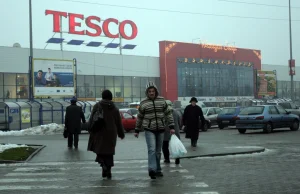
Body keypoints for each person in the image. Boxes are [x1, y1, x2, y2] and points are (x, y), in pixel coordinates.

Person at [134, 81, 175, 179]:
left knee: (158, 151)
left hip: (161, 128)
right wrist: (137, 130)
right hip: (149, 129)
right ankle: (152, 169)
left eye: (153, 91)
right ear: (147, 92)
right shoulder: (143, 103)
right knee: (151, 150)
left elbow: (168, 113)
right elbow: (139, 117)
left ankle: (158, 169)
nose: (151, 93)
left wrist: (171, 126)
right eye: (149, 91)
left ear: (156, 91)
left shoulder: (162, 100)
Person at [87, 90, 125, 179]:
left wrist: (89, 128)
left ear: (102, 96)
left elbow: (92, 118)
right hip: (111, 133)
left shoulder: (97, 106)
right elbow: (118, 123)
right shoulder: (114, 108)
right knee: (109, 153)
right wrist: (121, 133)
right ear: (111, 97)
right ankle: (108, 171)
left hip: (99, 132)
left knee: (100, 150)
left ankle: (103, 164)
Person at [162, 101, 181, 165]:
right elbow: (179, 121)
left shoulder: (163, 112)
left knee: (165, 146)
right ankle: (177, 158)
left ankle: (167, 159)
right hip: (175, 131)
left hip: (166, 131)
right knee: (176, 145)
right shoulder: (176, 112)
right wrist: (178, 128)